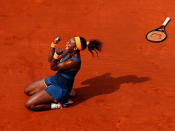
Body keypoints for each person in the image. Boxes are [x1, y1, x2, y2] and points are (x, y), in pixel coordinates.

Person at [24, 36, 102, 111]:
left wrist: (57, 55)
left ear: (75, 48)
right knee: (27, 90)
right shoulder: (68, 52)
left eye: (70, 43)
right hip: (55, 80)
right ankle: (66, 92)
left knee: (29, 104)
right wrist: (53, 45)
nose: (67, 43)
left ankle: (60, 104)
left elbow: (53, 67)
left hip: (60, 88)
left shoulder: (73, 62)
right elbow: (50, 60)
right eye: (69, 41)